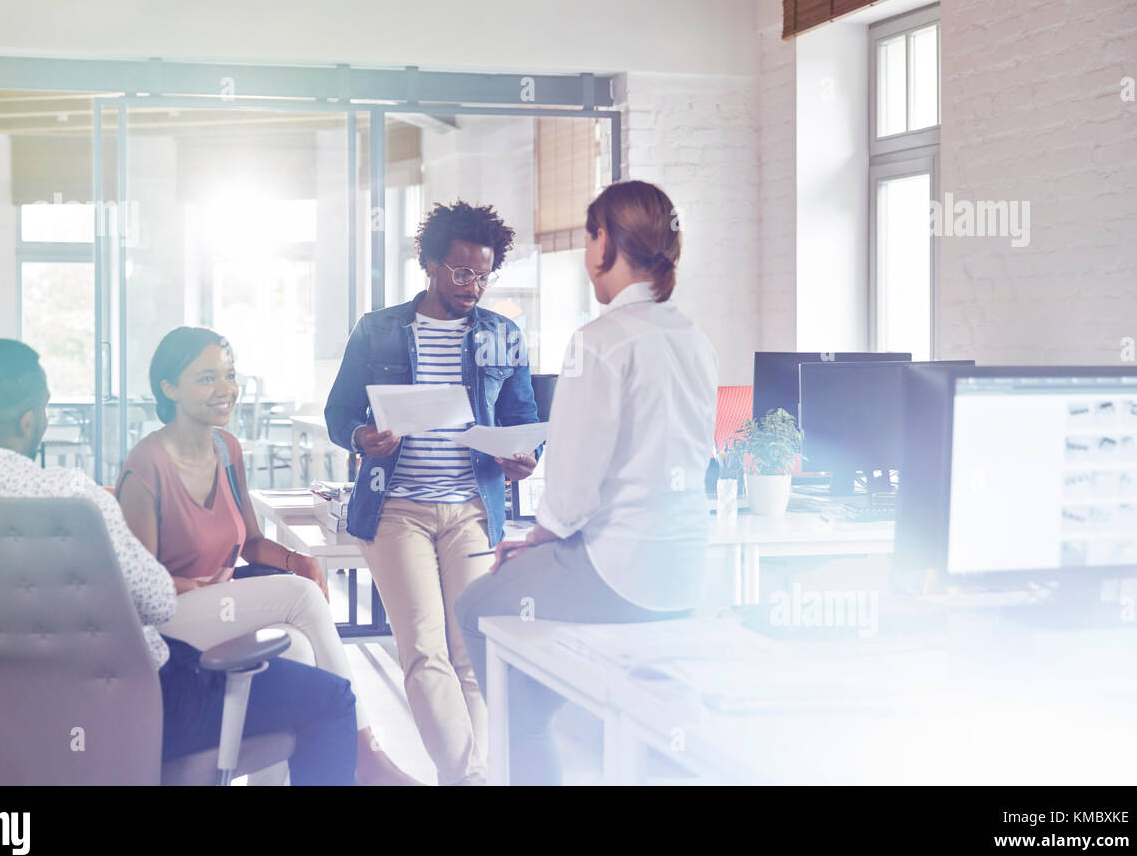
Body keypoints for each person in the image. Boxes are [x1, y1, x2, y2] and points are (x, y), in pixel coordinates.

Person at [0, 339, 357, 785]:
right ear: (30, 420)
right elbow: (155, 603)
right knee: (331, 699)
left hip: (7, 718)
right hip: (142, 707)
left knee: (292, 655)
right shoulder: (73, 497)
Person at [454, 180, 718, 785]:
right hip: (685, 566)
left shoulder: (598, 343)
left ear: (607, 244)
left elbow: (572, 488)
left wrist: (536, 539)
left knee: (475, 609)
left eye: (588, 235)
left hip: (617, 568)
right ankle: (550, 714)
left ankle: (531, 749)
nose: (584, 252)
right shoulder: (693, 338)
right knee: (526, 658)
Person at [116, 326, 421, 786]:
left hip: (217, 609)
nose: (225, 390)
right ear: (169, 388)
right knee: (300, 597)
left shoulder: (226, 448)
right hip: (167, 625)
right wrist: (201, 587)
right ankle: (365, 752)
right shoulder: (147, 464)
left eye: (230, 375)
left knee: (295, 648)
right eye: (206, 379)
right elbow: (138, 590)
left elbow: (252, 540)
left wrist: (297, 558)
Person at [324, 200, 541, 785]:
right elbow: (339, 411)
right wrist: (362, 436)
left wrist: (524, 457)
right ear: (430, 264)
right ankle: (472, 779)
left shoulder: (503, 335)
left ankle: (461, 779)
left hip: (472, 509)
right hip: (397, 510)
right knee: (423, 651)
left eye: (484, 273)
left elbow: (523, 414)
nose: (474, 285)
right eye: (462, 272)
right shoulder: (378, 330)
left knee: (469, 651)